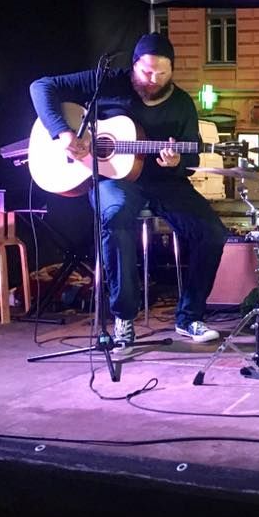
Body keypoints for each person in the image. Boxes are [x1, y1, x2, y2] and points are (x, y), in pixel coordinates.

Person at [30, 33, 229, 349]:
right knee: (116, 214)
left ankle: (189, 316)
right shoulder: (107, 81)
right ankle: (124, 315)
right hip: (114, 179)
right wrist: (63, 132)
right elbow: (41, 87)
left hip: (165, 182)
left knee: (213, 233)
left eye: (162, 73)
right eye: (147, 72)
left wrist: (177, 161)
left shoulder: (181, 104)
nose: (154, 79)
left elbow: (191, 160)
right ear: (134, 65)